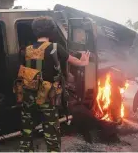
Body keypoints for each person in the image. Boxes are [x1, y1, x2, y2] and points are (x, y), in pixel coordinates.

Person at [17, 16, 90, 152]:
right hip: (47, 97)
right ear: (52, 31)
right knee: (51, 131)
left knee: (27, 129)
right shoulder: (55, 48)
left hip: (28, 95)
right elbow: (76, 61)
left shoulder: (25, 50)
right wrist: (84, 61)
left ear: (35, 31)